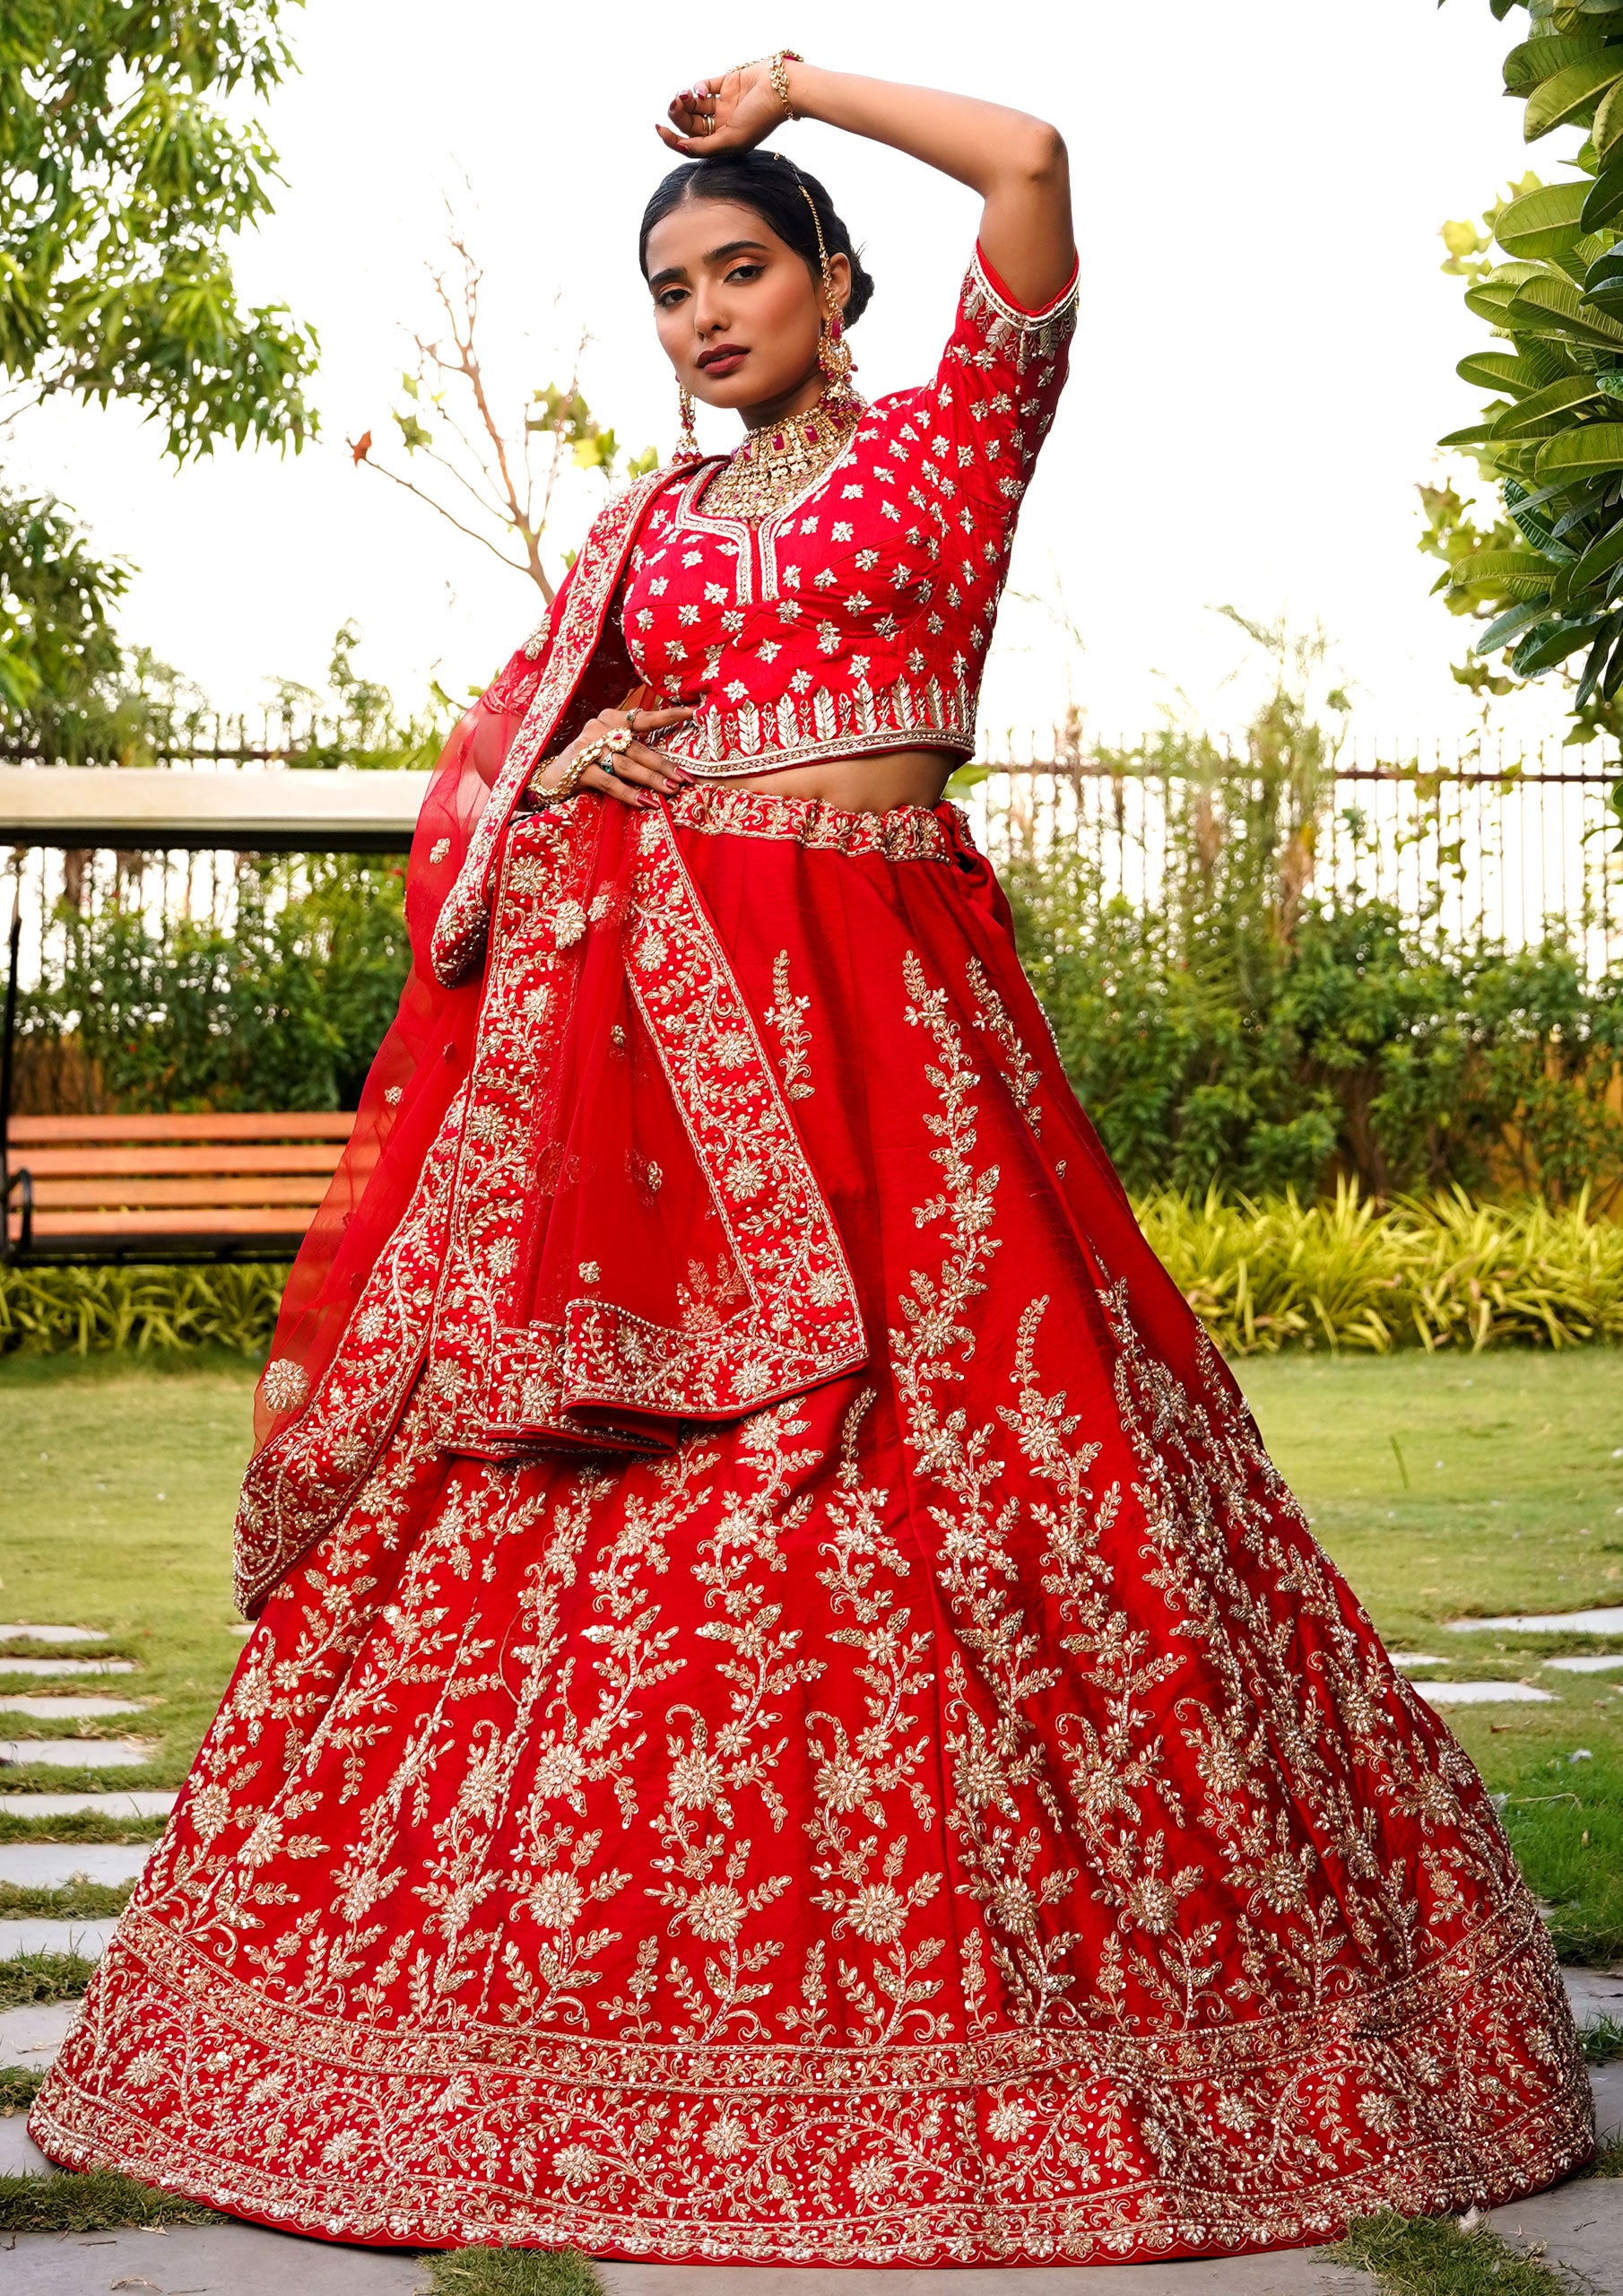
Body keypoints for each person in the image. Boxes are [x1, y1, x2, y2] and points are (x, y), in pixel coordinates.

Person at [32, 53, 1591, 2266]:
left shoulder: (955, 444)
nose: (701, 312)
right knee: (611, 1513)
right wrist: (562, 765)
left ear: (836, 278)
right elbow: (499, 772)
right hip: (662, 1074)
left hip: (904, 1050)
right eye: (669, 288)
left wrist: (794, 88)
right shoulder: (643, 533)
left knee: (1018, 1455)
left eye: (742, 265)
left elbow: (1036, 167)